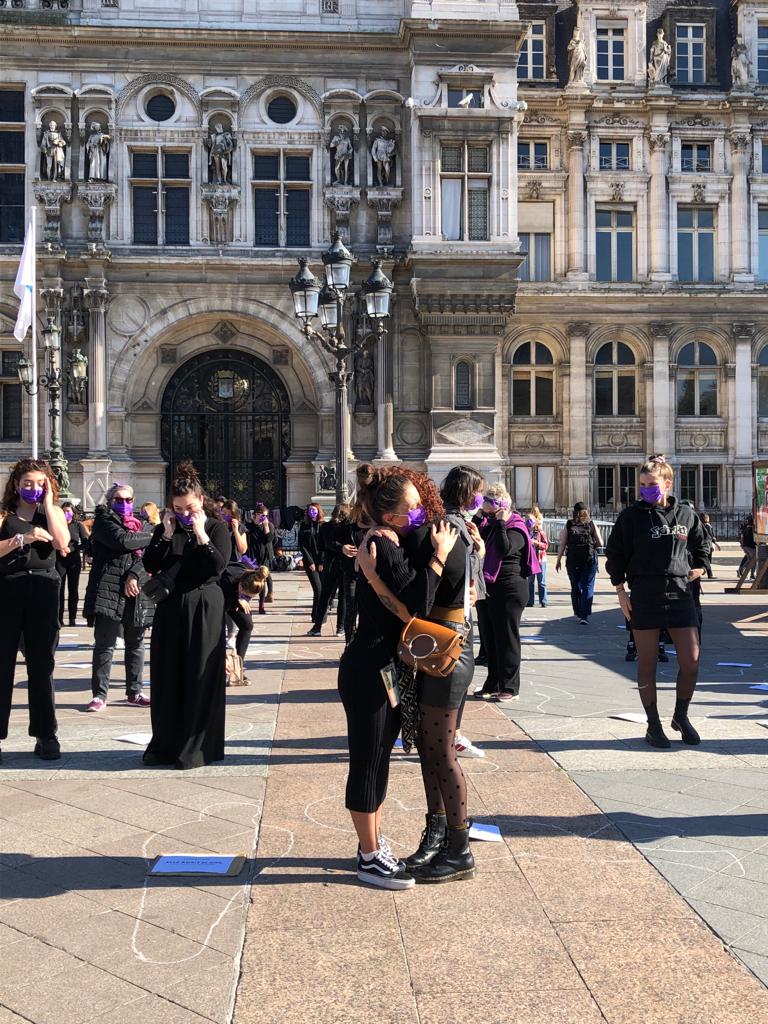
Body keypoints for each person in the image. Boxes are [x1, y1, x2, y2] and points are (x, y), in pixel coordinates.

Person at [338, 464, 458, 890]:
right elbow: (417, 604)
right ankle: (369, 856)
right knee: (368, 763)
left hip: (379, 665)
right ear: (391, 515)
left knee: (377, 760)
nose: (422, 511)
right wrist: (440, 555)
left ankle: (372, 845)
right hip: (369, 668)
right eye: (414, 506)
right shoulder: (383, 545)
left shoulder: (385, 540)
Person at [605, 454, 708, 748]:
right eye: (642, 485)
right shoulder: (631, 517)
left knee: (691, 660)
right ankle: (653, 724)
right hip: (645, 595)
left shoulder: (686, 514)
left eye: (652, 484)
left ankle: (680, 715)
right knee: (647, 660)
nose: (646, 490)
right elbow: (615, 554)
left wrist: (700, 567)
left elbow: (701, 545)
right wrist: (620, 591)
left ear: (668, 483)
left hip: (681, 593)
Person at [141, 461, 230, 770]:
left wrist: (201, 534)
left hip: (204, 605)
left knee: (199, 674)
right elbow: (151, 563)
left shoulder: (216, 528)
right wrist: (166, 534)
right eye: (178, 508)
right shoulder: (166, 529)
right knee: (167, 674)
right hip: (170, 608)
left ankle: (197, 747)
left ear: (201, 501)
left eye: (190, 508)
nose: (184, 514)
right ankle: (164, 744)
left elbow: (218, 566)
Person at [0, 458, 69, 761]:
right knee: (3, 664)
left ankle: (46, 734)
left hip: (44, 589)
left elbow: (62, 542)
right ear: (16, 484)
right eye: (28, 482)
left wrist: (49, 504)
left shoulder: (51, 513)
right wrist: (22, 538)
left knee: (42, 664)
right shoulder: (5, 514)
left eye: (40, 483)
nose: (34, 488)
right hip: (9, 589)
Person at [84, 483, 155, 711]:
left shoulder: (142, 524)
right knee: (105, 644)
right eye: (118, 500)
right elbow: (123, 541)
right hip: (108, 588)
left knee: (136, 643)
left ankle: (135, 692)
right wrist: (152, 536)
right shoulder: (104, 522)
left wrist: (134, 575)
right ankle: (99, 695)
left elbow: (150, 558)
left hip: (136, 590)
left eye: (128, 500)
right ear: (109, 502)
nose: (124, 504)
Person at [474, 483, 539, 702]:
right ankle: (493, 683)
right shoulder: (491, 525)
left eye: (491, 508)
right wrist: (480, 518)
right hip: (489, 587)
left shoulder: (515, 526)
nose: (488, 513)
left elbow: (504, 549)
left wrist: (501, 522)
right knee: (489, 638)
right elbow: (475, 540)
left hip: (510, 588)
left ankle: (510, 687)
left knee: (507, 638)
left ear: (501, 507)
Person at [440, 465, 486, 759]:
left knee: (461, 675)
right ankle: (450, 735)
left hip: (461, 608)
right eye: (478, 491)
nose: (480, 497)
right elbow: (458, 568)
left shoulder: (459, 521)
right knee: (456, 675)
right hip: (455, 613)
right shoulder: (451, 522)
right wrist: (480, 552)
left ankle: (451, 732)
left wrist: (478, 549)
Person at [556, 503, 603, 624]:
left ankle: (577, 611)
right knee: (588, 586)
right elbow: (601, 543)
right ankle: (584, 615)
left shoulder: (569, 524)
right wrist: (592, 545)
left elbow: (563, 543)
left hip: (572, 560)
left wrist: (558, 560)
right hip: (589, 559)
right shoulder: (591, 524)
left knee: (575, 586)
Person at [310, 503, 349, 637]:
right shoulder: (347, 527)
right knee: (343, 597)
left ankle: (317, 627)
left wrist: (321, 561)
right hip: (345, 564)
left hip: (330, 564)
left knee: (325, 596)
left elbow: (321, 546)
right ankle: (340, 627)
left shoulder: (325, 527)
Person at [339, 502, 368, 645]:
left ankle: (362, 641)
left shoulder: (375, 525)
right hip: (351, 573)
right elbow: (330, 540)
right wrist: (342, 548)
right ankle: (349, 643)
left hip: (369, 574)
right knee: (351, 607)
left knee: (366, 610)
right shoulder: (348, 526)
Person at [57, 502, 87, 626]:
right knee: (60, 589)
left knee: (73, 589)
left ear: (73, 513)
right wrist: (60, 548)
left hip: (73, 560)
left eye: (68, 511)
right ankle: (59, 618)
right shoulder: (57, 525)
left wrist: (72, 549)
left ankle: (72, 617)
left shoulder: (77, 525)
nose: (66, 513)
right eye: (64, 511)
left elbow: (85, 543)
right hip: (60, 560)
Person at [299, 502, 324, 624]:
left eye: (314, 510)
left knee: (323, 590)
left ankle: (321, 615)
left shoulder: (323, 525)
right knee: (318, 589)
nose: (312, 512)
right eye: (310, 510)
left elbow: (325, 545)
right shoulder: (304, 525)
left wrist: (322, 562)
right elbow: (302, 546)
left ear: (318, 511)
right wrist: (310, 562)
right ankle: (315, 615)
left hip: (322, 562)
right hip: (310, 562)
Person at [248, 502, 275, 605]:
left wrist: (266, 527)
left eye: (266, 516)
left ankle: (264, 600)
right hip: (253, 555)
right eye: (262, 515)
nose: (264, 518)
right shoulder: (249, 526)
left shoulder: (269, 525)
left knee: (265, 575)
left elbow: (269, 539)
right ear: (256, 514)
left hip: (265, 555)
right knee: (255, 577)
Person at [526, 506, 549, 608]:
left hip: (540, 559)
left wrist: (537, 543)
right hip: (531, 559)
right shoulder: (527, 533)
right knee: (530, 581)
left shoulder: (541, 532)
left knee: (541, 581)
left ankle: (543, 601)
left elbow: (546, 545)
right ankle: (530, 601)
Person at [700, 512, 720, 579]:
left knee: (705, 560)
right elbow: (710, 536)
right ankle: (709, 574)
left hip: (702, 545)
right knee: (707, 561)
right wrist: (716, 544)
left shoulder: (700, 525)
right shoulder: (708, 526)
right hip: (707, 546)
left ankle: (706, 572)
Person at [738, 514, 756, 580]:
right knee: (753, 561)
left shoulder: (745, 529)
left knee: (749, 560)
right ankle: (744, 570)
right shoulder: (751, 529)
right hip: (751, 547)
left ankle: (745, 571)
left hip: (746, 547)